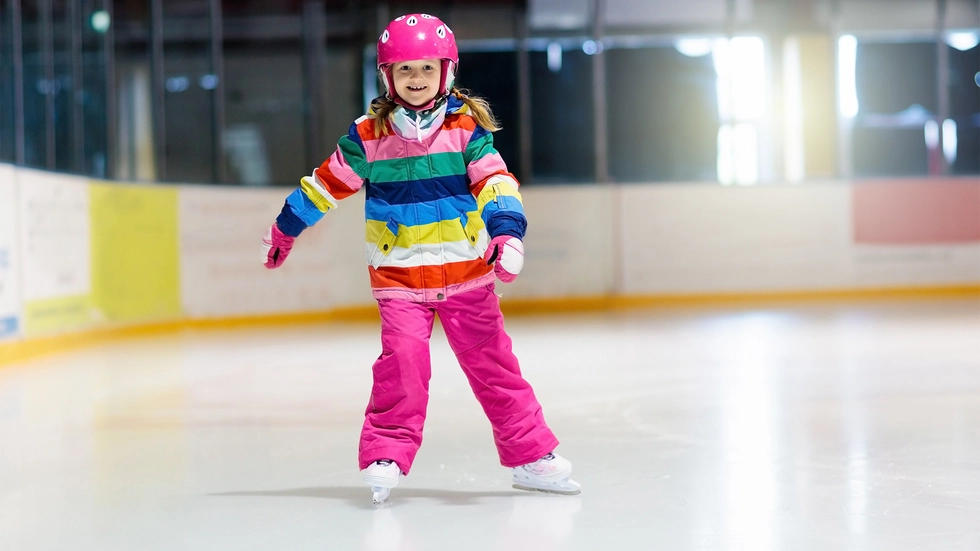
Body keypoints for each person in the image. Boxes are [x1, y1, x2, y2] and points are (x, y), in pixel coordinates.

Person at [261, 13, 579, 505]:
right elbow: (325, 185)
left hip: (467, 275)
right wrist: (287, 227)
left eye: (426, 70)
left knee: (495, 367)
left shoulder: (465, 130)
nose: (416, 80)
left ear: (446, 73)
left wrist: (508, 232)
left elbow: (495, 182)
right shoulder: (369, 135)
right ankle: (386, 452)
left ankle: (530, 457)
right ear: (387, 77)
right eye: (405, 71)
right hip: (400, 276)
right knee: (403, 363)